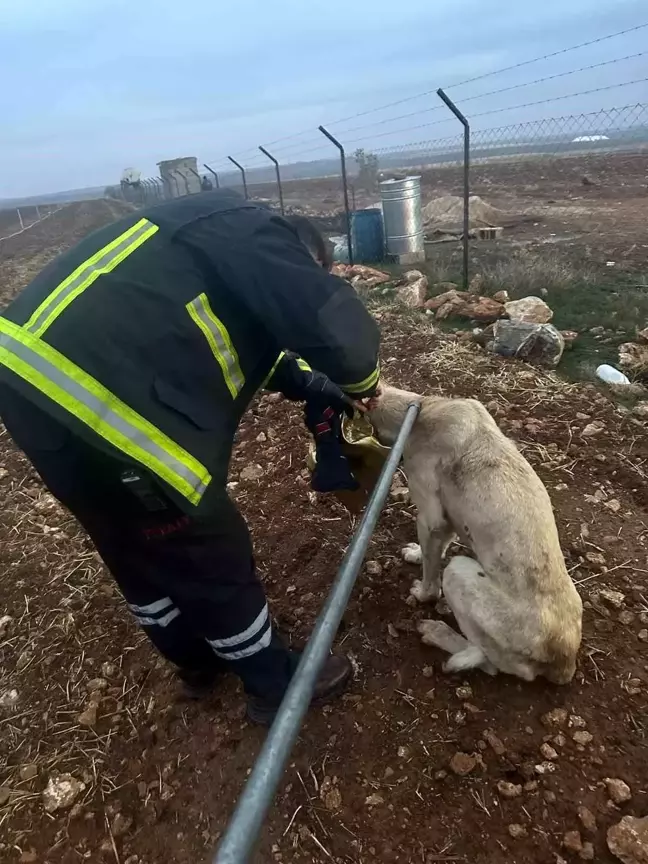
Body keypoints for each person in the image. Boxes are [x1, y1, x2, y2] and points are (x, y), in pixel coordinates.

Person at [0, 190, 380, 725]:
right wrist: (362, 380)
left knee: (126, 535)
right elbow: (323, 318)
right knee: (201, 539)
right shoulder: (259, 233)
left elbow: (239, 335)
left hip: (33, 385)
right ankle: (270, 681)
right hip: (96, 399)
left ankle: (196, 661)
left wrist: (308, 382)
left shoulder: (204, 242)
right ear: (303, 252)